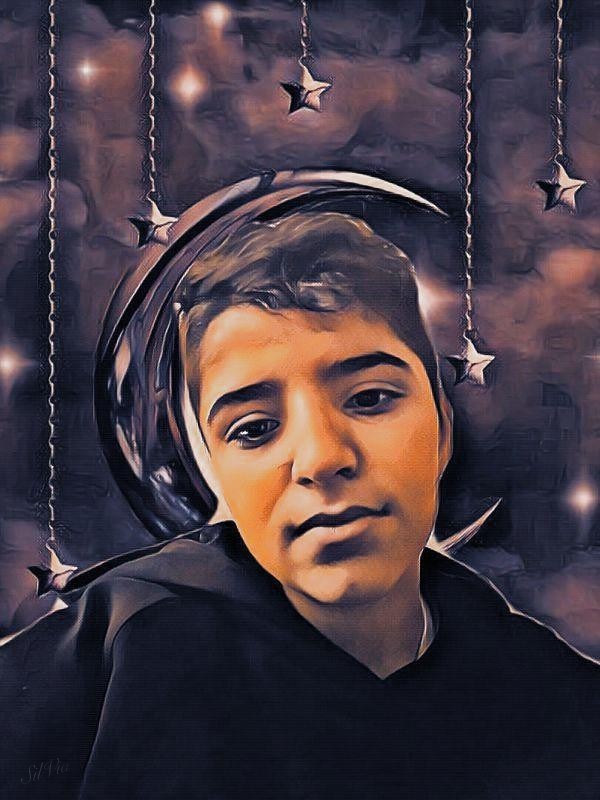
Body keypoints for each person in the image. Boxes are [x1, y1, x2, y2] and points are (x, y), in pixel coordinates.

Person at [1, 212, 598, 800]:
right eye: (254, 429)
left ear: (442, 429)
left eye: (369, 398)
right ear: (216, 470)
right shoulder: (121, 645)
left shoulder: (559, 702)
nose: (320, 458)